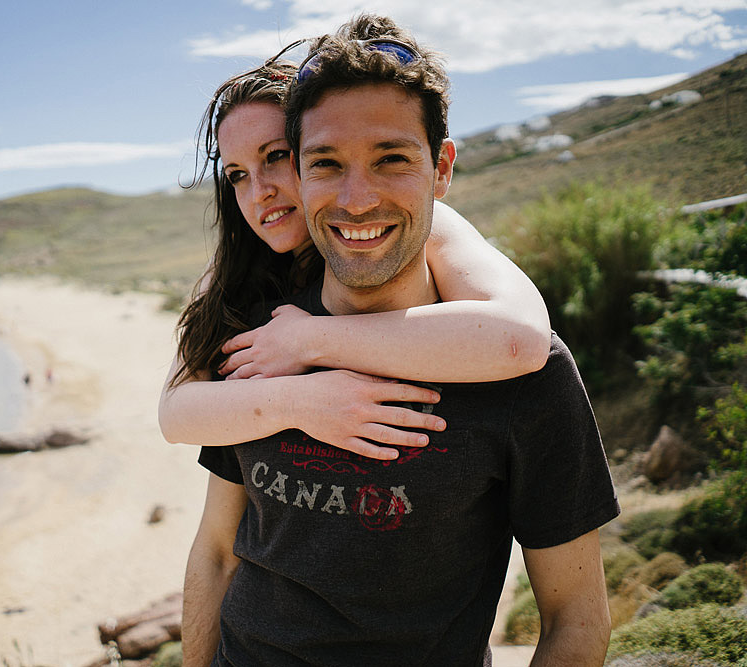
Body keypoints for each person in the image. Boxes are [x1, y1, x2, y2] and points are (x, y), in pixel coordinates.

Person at [183, 14, 619, 666]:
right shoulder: (261, 337)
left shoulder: (529, 376)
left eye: (391, 158)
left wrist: (319, 345)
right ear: (298, 177)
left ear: (441, 169)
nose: (358, 200)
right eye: (327, 163)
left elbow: (576, 620)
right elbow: (218, 549)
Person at [159, 59, 552, 460]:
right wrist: (299, 401)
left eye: (274, 156)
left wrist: (304, 340)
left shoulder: (419, 226)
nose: (258, 191)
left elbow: (521, 336)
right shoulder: (237, 272)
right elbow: (175, 414)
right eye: (237, 174)